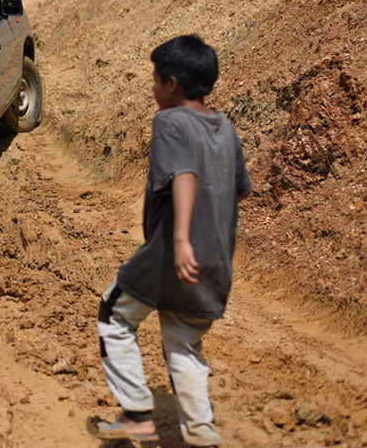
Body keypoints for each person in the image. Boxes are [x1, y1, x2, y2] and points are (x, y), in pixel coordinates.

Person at [93, 35, 251, 446]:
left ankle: (137, 414)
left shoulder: (169, 122)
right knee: (183, 342)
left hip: (172, 255)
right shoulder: (226, 128)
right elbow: (239, 189)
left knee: (114, 315)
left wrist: (180, 240)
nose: (152, 87)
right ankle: (201, 434)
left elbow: (183, 174)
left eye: (155, 79)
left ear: (173, 84)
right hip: (217, 259)